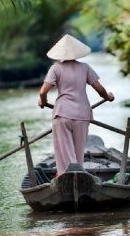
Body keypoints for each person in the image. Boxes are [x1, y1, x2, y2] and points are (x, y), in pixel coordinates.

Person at [38, 34, 115, 176]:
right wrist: (108, 97)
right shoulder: (85, 67)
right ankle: (78, 174)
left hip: (62, 113)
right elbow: (100, 89)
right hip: (81, 114)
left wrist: (42, 102)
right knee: (78, 152)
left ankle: (65, 176)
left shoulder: (56, 69)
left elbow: (43, 92)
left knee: (64, 151)